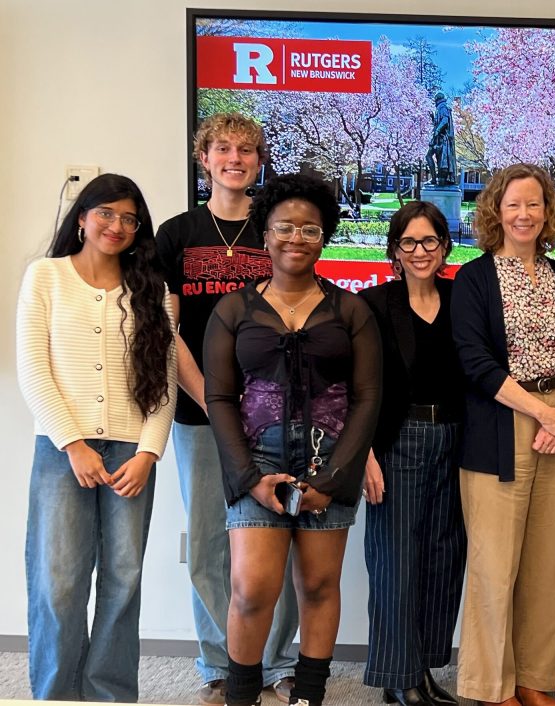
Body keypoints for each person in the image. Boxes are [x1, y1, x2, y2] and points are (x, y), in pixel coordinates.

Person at [203, 173, 383, 706]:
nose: (296, 238)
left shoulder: (350, 310)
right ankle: (241, 695)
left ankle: (308, 696)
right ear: (266, 233)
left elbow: (367, 397)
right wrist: (250, 479)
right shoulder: (233, 310)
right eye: (285, 227)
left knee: (320, 588)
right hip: (258, 465)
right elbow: (219, 399)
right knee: (251, 590)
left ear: (324, 235)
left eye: (310, 228)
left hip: (330, 466)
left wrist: (333, 479)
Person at [155, 112, 299, 705]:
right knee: (212, 542)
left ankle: (277, 664)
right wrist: (214, 407)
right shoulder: (176, 234)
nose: (234, 158)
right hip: (199, 418)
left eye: (246, 149)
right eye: (222, 149)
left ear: (259, 159)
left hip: (273, 416)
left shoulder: (277, 230)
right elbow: (167, 331)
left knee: (277, 533)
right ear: (204, 158)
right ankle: (219, 664)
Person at [17, 174, 177, 701]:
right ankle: (57, 696)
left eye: (129, 219)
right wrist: (73, 445)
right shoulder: (46, 277)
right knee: (58, 582)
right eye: (106, 213)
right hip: (63, 452)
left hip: (132, 454)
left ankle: (109, 696)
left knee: (123, 580)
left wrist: (150, 452)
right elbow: (33, 370)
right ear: (82, 217)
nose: (117, 225)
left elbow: (164, 382)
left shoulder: (153, 292)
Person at [451, 164, 555, 706]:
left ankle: (535, 681)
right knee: (494, 565)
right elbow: (474, 361)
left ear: (548, 211)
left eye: (534, 204)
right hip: (502, 424)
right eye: (513, 204)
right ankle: (492, 688)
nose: (524, 214)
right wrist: (541, 411)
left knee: (549, 565)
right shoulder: (474, 278)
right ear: (495, 211)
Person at [360, 201, 466, 706]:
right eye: (409, 242)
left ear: (445, 246)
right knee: (395, 562)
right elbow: (356, 386)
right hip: (396, 442)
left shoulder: (461, 296)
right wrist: (364, 454)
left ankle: (421, 670)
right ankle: (397, 679)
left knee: (442, 559)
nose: (420, 252)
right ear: (394, 250)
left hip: (457, 442)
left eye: (429, 242)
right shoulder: (375, 305)